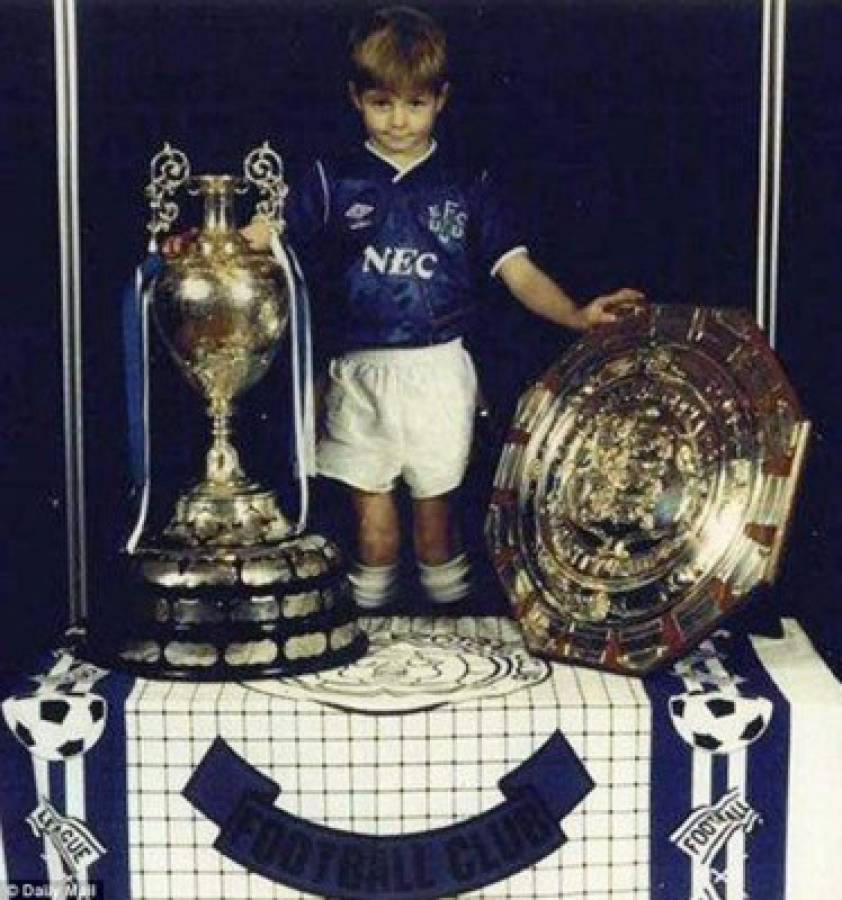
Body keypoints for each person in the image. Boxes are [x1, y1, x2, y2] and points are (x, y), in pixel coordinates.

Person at [239, 6, 644, 609]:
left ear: (441, 100)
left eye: (415, 104)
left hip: (438, 373)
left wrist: (577, 316)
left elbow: (518, 270)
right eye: (382, 104)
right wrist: (227, 240)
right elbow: (266, 236)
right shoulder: (331, 179)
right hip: (358, 374)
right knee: (375, 536)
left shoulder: (465, 184)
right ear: (356, 99)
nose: (399, 120)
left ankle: (452, 650)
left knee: (434, 533)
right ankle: (368, 654)